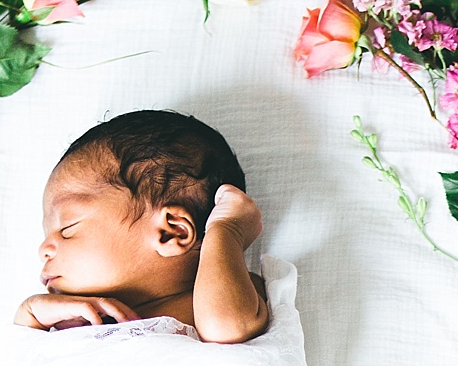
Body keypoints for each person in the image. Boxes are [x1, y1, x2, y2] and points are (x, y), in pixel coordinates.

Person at [14, 109, 269, 344]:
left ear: (171, 232)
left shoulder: (234, 293)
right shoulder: (74, 323)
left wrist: (227, 231)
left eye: (68, 227)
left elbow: (226, 327)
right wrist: (30, 317)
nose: (43, 250)